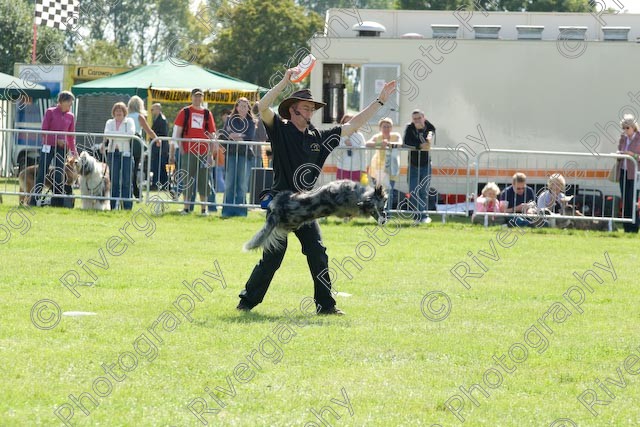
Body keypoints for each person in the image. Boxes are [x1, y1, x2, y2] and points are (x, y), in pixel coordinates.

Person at [236, 67, 396, 316]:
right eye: (306, 108)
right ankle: (246, 302)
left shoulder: (319, 137)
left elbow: (352, 126)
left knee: (318, 253)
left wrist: (380, 101)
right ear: (293, 110)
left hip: (307, 205)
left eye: (312, 109)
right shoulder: (280, 129)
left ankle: (326, 306)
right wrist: (284, 83)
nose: (310, 112)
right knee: (273, 258)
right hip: (282, 204)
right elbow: (261, 107)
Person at [169, 88, 217, 216]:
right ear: (191, 97)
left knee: (204, 180)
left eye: (200, 96)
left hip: (204, 152)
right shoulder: (184, 112)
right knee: (187, 180)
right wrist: (182, 148)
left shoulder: (207, 113)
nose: (197, 99)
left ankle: (204, 209)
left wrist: (210, 154)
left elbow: (212, 134)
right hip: (188, 151)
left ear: (202, 98)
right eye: (195, 96)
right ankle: (186, 208)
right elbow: (178, 132)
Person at [31, 91, 78, 207]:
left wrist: (74, 151)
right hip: (48, 146)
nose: (70, 105)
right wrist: (57, 140)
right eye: (69, 102)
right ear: (62, 101)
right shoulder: (50, 112)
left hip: (62, 149)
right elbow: (44, 130)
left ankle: (56, 201)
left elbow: (71, 136)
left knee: (59, 174)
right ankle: (34, 199)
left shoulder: (71, 116)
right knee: (42, 172)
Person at [220, 97, 256, 218]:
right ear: (236, 107)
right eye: (240, 106)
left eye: (245, 106)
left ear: (248, 109)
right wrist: (233, 136)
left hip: (245, 155)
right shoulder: (230, 119)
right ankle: (227, 211)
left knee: (242, 184)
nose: (242, 108)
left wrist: (235, 136)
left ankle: (241, 212)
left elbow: (249, 137)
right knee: (229, 183)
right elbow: (224, 136)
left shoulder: (251, 122)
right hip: (230, 154)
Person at [403, 109, 436, 224]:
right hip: (413, 165)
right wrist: (419, 146)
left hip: (426, 165)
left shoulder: (429, 127)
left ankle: (422, 216)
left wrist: (428, 139)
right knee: (413, 191)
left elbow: (431, 133)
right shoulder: (409, 128)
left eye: (419, 118)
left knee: (423, 191)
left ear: (423, 117)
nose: (417, 120)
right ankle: (419, 215)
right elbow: (406, 143)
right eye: (414, 118)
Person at [103, 102, 136, 210]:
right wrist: (121, 135)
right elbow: (107, 134)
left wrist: (115, 135)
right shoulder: (109, 122)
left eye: (120, 110)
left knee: (126, 180)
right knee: (114, 181)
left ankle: (127, 206)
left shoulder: (129, 121)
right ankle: (113, 206)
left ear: (124, 112)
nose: (118, 112)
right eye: (116, 110)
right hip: (113, 153)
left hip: (126, 153)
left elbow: (130, 134)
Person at [366, 117, 401, 209]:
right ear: (380, 128)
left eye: (388, 126)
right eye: (384, 126)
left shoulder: (396, 135)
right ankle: (377, 213)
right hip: (377, 169)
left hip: (391, 169)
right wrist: (379, 144)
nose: (386, 129)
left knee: (389, 192)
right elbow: (367, 144)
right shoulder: (377, 137)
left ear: (391, 128)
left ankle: (387, 213)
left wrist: (389, 144)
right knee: (377, 192)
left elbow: (400, 143)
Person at [127, 96, 157, 198]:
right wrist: (157, 139)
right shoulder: (140, 117)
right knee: (134, 169)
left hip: (126, 144)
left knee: (129, 168)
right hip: (136, 145)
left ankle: (133, 191)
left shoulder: (126, 116)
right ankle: (136, 192)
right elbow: (148, 131)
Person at [616, 114, 640, 233]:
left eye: (627, 128)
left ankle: (634, 227)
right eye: (623, 128)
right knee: (625, 200)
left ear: (633, 127)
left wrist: (633, 155)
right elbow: (619, 150)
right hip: (623, 172)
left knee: (633, 199)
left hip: (635, 174)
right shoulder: (623, 137)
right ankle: (626, 227)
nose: (625, 130)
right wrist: (619, 153)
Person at [336, 114, 366, 183]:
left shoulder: (359, 136)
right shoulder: (339, 135)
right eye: (346, 123)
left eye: (351, 122)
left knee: (355, 191)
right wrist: (345, 144)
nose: (348, 125)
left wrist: (364, 169)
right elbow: (336, 152)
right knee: (341, 191)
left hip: (357, 169)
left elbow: (364, 154)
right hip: (343, 168)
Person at [150, 103, 169, 190]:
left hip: (161, 148)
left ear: (158, 109)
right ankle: (159, 183)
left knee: (160, 166)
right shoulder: (158, 119)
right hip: (158, 147)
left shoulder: (162, 120)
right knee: (157, 166)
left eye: (153, 109)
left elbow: (163, 134)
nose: (152, 111)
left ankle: (161, 184)